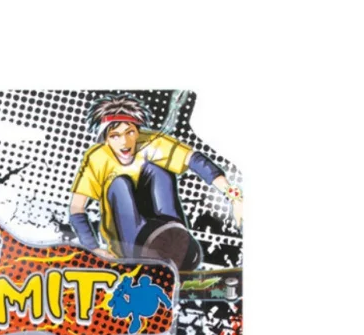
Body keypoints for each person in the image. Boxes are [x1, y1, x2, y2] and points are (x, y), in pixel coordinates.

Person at [70, 94, 243, 265]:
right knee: (120, 184)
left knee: (157, 170)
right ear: (106, 139)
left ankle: (175, 236)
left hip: (168, 240)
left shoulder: (152, 143)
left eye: (130, 132)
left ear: (137, 131)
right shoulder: (97, 159)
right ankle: (141, 246)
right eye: (115, 136)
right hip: (130, 243)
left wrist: (234, 198)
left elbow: (195, 161)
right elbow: (76, 207)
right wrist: (93, 248)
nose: (124, 142)